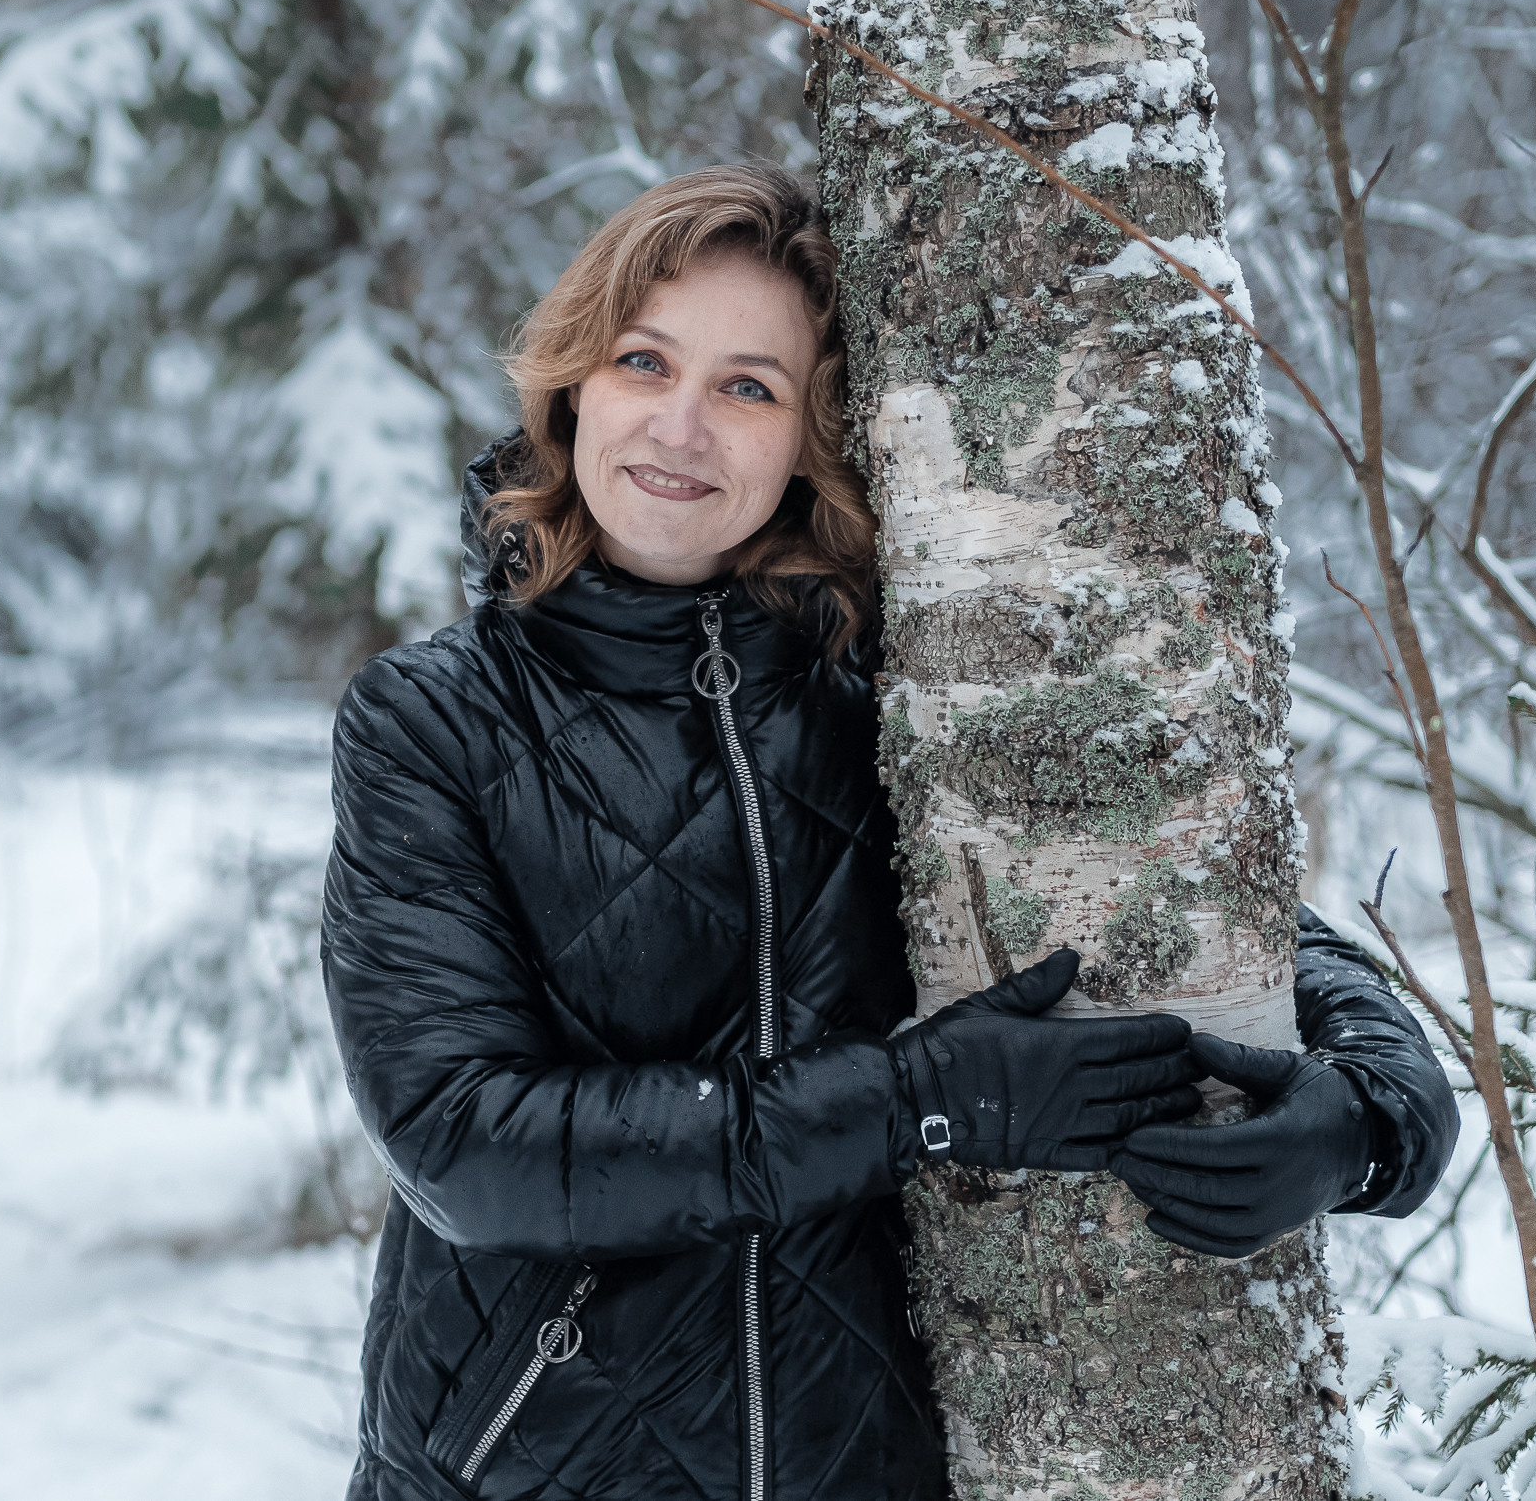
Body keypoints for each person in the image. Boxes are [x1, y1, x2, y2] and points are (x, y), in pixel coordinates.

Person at [318, 163, 1457, 1501]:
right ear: (575, 382)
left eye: (750, 385)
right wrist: (922, 1099)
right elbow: (471, 1143)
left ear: (814, 436)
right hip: (529, 1467)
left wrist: (1376, 1113)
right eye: (644, 361)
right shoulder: (434, 721)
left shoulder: (895, 696)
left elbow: (1224, 916)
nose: (679, 425)